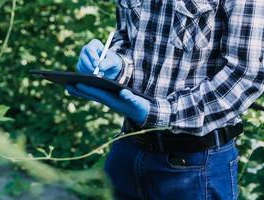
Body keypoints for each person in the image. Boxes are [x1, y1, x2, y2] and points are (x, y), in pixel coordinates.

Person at [67, 0, 263, 199]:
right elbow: (127, 38)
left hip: (195, 165)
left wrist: (158, 113)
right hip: (127, 149)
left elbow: (246, 75)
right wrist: (115, 64)